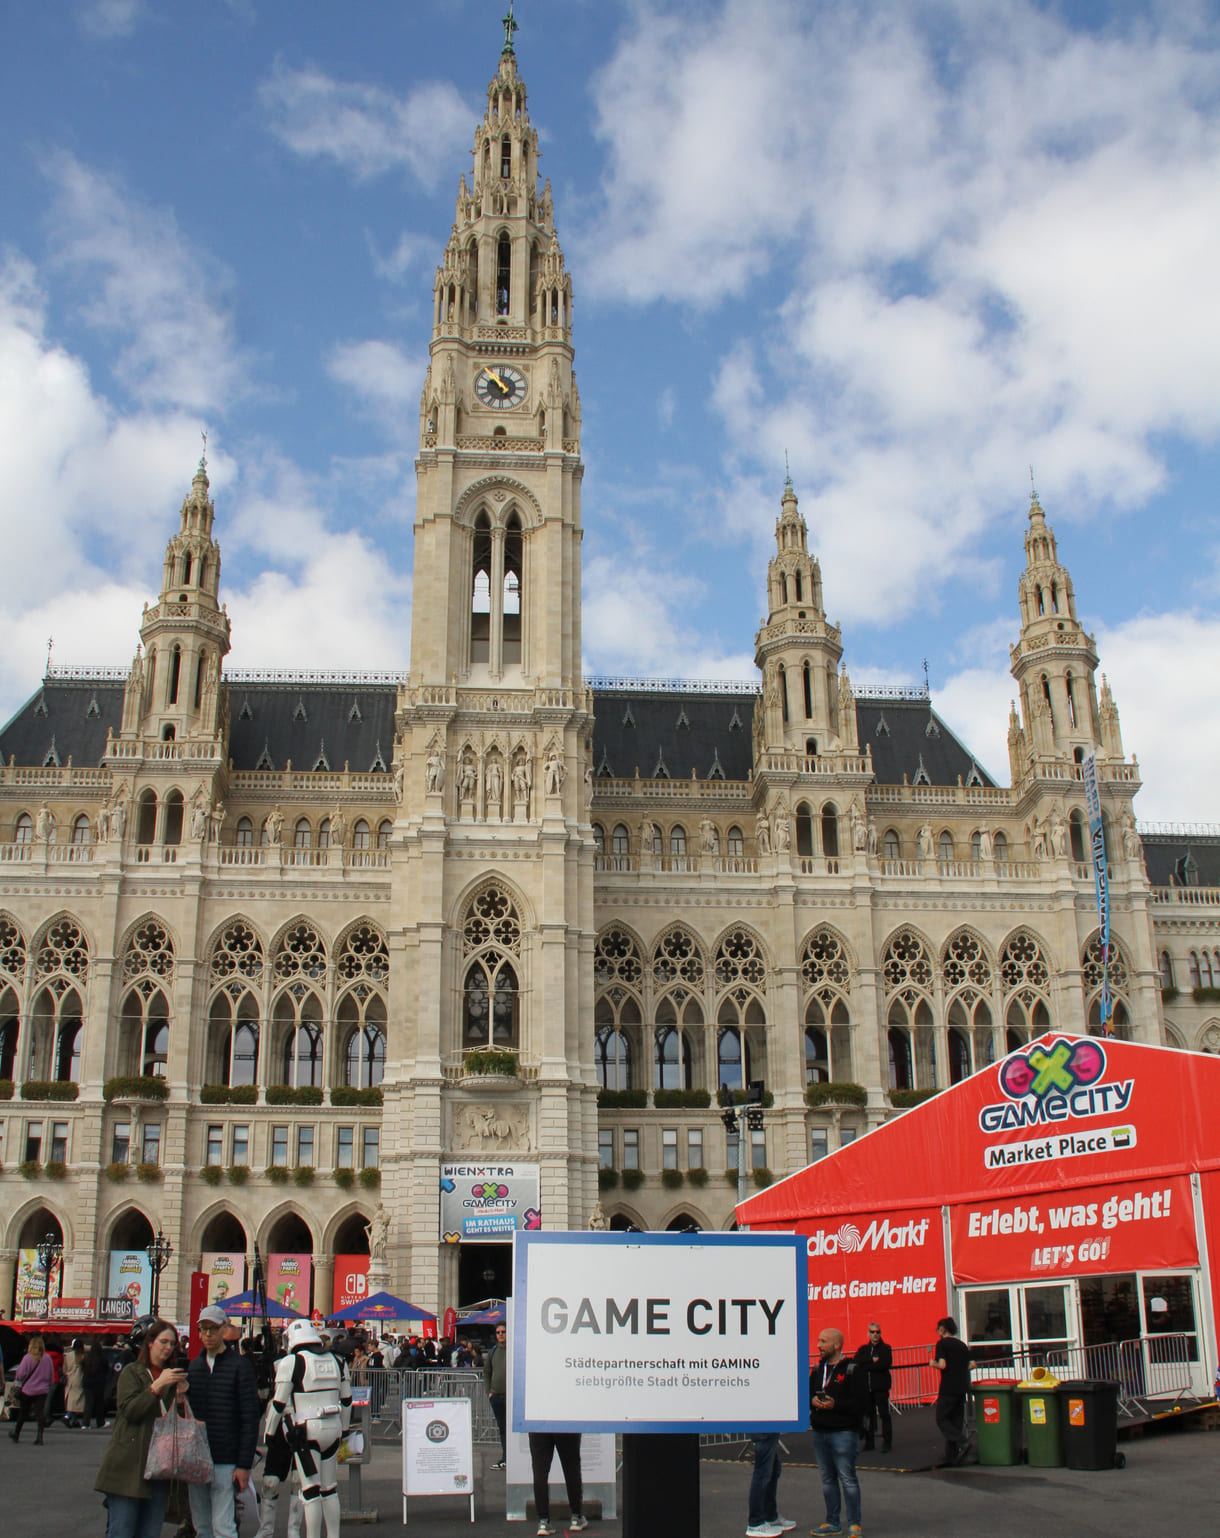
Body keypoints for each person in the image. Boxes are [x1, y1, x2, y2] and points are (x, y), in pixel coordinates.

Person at [94, 1316, 189, 1538]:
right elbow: (131, 1411)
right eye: (163, 1342)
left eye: (172, 1343)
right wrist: (156, 1387)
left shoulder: (170, 1377)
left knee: (150, 1531)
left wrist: (181, 1397)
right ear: (150, 1342)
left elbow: (179, 1425)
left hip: (158, 1468)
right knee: (122, 1530)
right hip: (128, 1467)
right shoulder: (132, 1372)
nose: (168, 1348)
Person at [264, 1317, 351, 1538]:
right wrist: (344, 1430)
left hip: (306, 1430)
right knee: (329, 1489)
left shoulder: (291, 1362)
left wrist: (270, 1433)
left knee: (311, 1491)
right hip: (333, 1427)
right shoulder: (338, 1360)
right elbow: (347, 1400)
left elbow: (278, 1403)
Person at [186, 1303, 261, 1538]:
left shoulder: (240, 1366)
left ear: (224, 1330)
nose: (208, 1334)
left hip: (226, 1459)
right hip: (198, 1458)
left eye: (213, 1328)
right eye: (204, 1329)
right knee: (202, 1526)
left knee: (224, 1526)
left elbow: (250, 1418)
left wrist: (243, 1465)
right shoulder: (194, 1367)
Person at [808, 1326, 867, 1538]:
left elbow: (861, 1402)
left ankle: (854, 1524)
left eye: (823, 1341)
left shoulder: (852, 1369)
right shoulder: (817, 1370)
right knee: (827, 1480)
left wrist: (836, 1405)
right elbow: (807, 1393)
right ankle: (832, 1521)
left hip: (843, 1432)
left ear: (836, 1344)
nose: (818, 1345)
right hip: (820, 1431)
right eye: (818, 1340)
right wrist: (812, 1400)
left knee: (847, 1478)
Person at [528, 1429, 587, 1536]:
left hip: (538, 1422)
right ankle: (576, 1516)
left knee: (540, 1471)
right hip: (565, 1422)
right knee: (572, 1468)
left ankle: (543, 1520)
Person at [932, 1317, 973, 1467]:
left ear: (943, 1329)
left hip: (948, 1387)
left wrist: (933, 1364)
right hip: (962, 1387)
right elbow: (971, 1364)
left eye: (938, 1329)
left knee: (942, 1419)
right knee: (955, 1421)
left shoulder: (942, 1344)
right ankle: (952, 1455)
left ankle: (962, 1442)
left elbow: (942, 1365)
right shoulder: (962, 1345)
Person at [744, 1431, 795, 1537]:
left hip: (767, 1429)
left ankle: (770, 1516)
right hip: (764, 1430)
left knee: (773, 1470)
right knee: (763, 1474)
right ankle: (755, 1522)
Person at [9, 1333, 56, 1444]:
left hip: (28, 1390)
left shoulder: (27, 1358)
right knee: (40, 1413)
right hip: (42, 1389)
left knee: (23, 1412)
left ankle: (17, 1433)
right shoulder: (47, 1358)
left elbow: (20, 1374)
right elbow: (50, 1374)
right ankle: (40, 1436)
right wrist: (49, 1385)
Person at [857, 1322, 892, 1453]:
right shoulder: (864, 1349)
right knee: (868, 1415)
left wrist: (868, 1364)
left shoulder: (886, 1348)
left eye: (877, 1332)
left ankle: (887, 1442)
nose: (875, 1334)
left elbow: (885, 1364)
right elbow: (858, 1362)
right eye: (872, 1332)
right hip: (867, 1388)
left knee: (884, 1415)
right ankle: (869, 1442)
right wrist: (872, 1361)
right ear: (868, 1333)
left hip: (881, 1387)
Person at [483, 1321, 508, 1469]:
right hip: (496, 1397)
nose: (500, 1335)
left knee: (511, 1430)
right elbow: (487, 1373)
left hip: (510, 1398)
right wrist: (489, 1392)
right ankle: (505, 1458)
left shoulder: (514, 1350)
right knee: (503, 1428)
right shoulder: (493, 1352)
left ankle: (511, 1458)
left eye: (503, 1332)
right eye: (498, 1332)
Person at [83, 1339, 111, 1429]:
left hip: (87, 1383)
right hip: (99, 1383)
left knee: (88, 1404)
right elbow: (107, 1369)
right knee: (99, 1404)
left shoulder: (87, 1359)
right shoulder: (102, 1359)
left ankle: (85, 1423)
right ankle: (100, 1422)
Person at [64, 1336, 87, 1429]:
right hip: (79, 1379)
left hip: (70, 1378)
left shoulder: (68, 1355)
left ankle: (73, 1419)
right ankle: (68, 1416)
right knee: (77, 1401)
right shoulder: (83, 1356)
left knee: (71, 1401)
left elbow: (64, 1368)